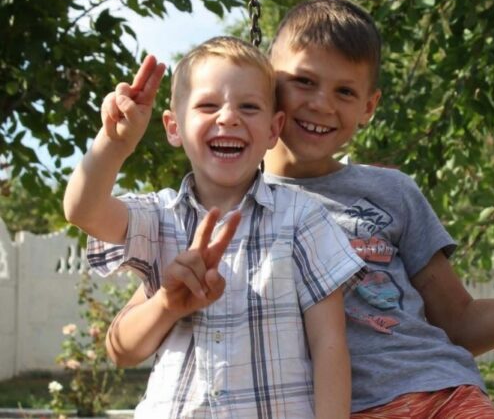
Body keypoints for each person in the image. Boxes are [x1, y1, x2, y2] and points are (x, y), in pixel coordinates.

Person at [110, 0, 494, 418]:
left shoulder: (392, 192)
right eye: (304, 81)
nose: (321, 104)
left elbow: (456, 321)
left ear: (369, 107)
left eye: (345, 92)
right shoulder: (226, 205)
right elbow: (129, 334)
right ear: (269, 84)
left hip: (441, 389)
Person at [63, 36, 365, 418]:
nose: (228, 117)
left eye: (249, 106)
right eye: (208, 105)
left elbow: (330, 346)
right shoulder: (160, 217)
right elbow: (81, 210)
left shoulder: (302, 219)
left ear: (274, 130)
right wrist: (114, 143)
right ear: (174, 127)